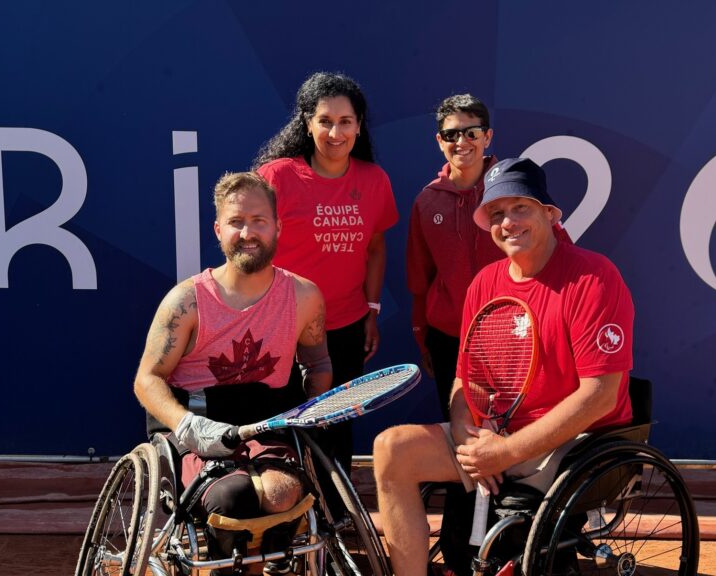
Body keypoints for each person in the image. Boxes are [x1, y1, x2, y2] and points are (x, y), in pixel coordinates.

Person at [374, 158, 634, 576]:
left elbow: (600, 395)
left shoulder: (595, 277)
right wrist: (468, 441)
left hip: (575, 445)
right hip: (499, 438)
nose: (508, 222)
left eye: (520, 209)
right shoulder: (485, 283)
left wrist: (506, 452)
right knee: (392, 450)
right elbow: (467, 380)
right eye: (496, 213)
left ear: (550, 214)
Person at [133, 172, 332, 569]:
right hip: (199, 425)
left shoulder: (304, 296)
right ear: (218, 229)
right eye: (236, 222)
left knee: (280, 493)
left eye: (259, 221)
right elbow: (147, 379)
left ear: (277, 226)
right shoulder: (186, 301)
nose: (248, 232)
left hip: (264, 423)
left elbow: (318, 363)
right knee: (234, 496)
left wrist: (317, 403)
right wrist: (187, 425)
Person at [254, 71, 398, 468]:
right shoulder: (277, 176)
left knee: (335, 427)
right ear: (307, 123)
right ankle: (289, 516)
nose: (336, 132)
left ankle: (335, 516)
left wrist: (372, 311)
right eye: (325, 121)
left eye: (345, 121)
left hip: (346, 327)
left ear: (359, 125)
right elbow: (251, 249)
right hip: (282, 326)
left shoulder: (374, 180)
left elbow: (375, 248)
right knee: (283, 429)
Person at [406, 94, 500, 419]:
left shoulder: (511, 191)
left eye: (471, 132)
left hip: (511, 334)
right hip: (449, 339)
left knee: (513, 427)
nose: (462, 141)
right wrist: (422, 337)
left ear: (487, 136)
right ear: (439, 141)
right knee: (460, 429)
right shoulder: (426, 202)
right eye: (451, 134)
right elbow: (420, 278)